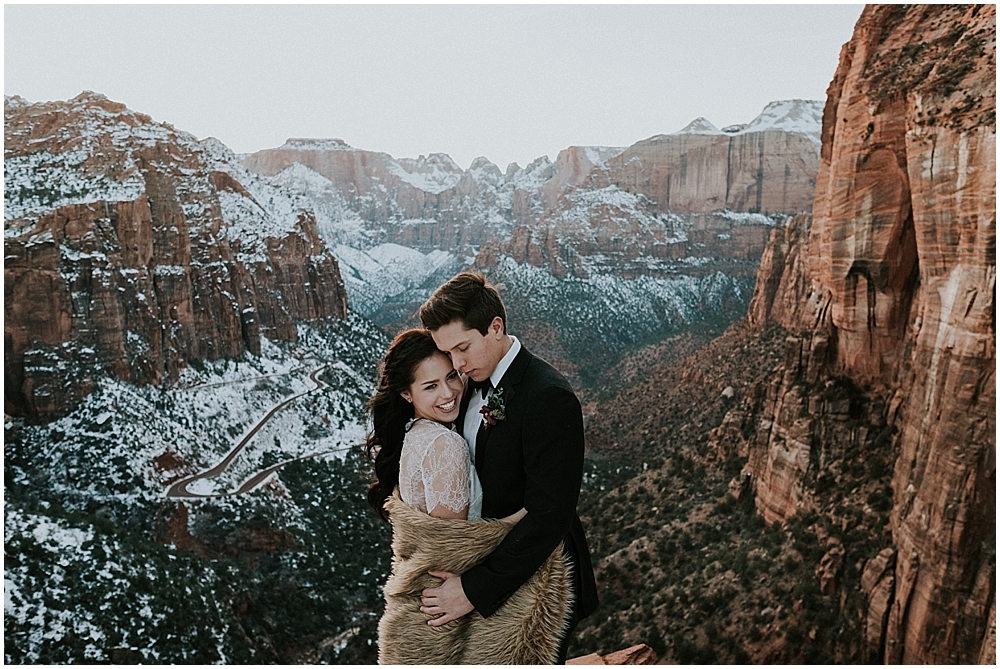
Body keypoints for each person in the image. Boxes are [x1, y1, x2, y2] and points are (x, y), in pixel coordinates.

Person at [417, 271, 599, 664]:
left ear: (495, 327)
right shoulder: (468, 382)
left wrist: (471, 589)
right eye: (448, 353)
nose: (457, 365)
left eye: (463, 347)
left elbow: (551, 514)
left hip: (538, 575)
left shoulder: (548, 396)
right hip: (489, 563)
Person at [365, 328, 573, 664]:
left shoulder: (414, 434)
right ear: (406, 393)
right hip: (445, 606)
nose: (448, 393)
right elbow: (453, 548)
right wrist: (526, 514)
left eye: (452, 377)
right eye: (430, 386)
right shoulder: (446, 446)